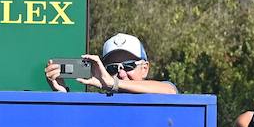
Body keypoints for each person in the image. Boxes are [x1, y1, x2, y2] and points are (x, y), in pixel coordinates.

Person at [44, 32, 179, 95]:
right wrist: (62, 93)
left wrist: (113, 84)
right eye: (113, 68)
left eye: (128, 66)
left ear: (145, 69)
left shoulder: (161, 90)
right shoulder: (102, 101)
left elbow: (170, 90)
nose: (121, 73)